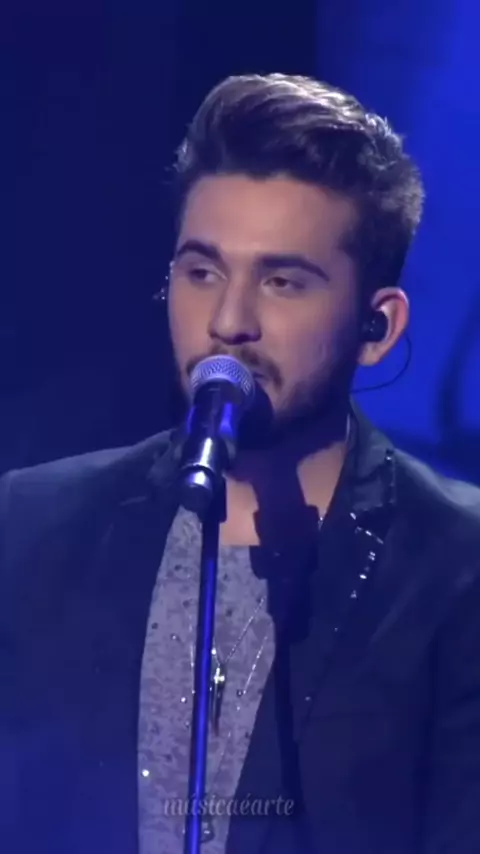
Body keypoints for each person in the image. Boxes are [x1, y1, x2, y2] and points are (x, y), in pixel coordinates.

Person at [1, 73, 480, 854]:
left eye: (282, 282)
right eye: (202, 272)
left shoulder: (458, 571)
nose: (228, 321)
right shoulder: (32, 527)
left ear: (377, 327)